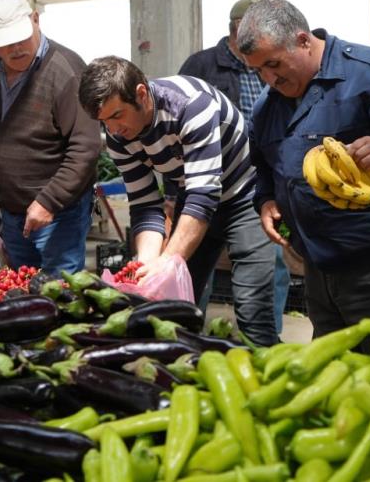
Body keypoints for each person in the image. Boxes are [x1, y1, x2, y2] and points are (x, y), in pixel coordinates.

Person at [238, 0, 370, 338]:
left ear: (304, 41)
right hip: (319, 270)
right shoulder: (268, 107)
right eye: (258, 70)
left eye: (274, 64)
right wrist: (266, 200)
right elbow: (264, 166)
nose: (269, 78)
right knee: (340, 377)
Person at [78, 57, 278, 347]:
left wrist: (168, 261)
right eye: (104, 121)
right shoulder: (117, 135)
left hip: (243, 195)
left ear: (141, 94)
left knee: (251, 306)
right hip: (194, 192)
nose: (113, 128)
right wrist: (146, 266)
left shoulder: (190, 106)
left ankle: (263, 367)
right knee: (174, 300)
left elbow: (204, 196)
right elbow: (145, 202)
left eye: (117, 115)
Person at [179, 0, 292, 334]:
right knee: (195, 266)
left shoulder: (275, 66)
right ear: (236, 30)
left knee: (270, 265)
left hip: (259, 181)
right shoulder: (201, 66)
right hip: (206, 181)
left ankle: (265, 340)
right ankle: (185, 333)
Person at [0, 0, 99, 275]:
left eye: (21, 37)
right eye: (5, 43)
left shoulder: (66, 70)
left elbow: (86, 147)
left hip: (58, 215)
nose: (15, 48)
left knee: (61, 292)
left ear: (36, 19)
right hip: (12, 211)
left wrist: (48, 201)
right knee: (21, 292)